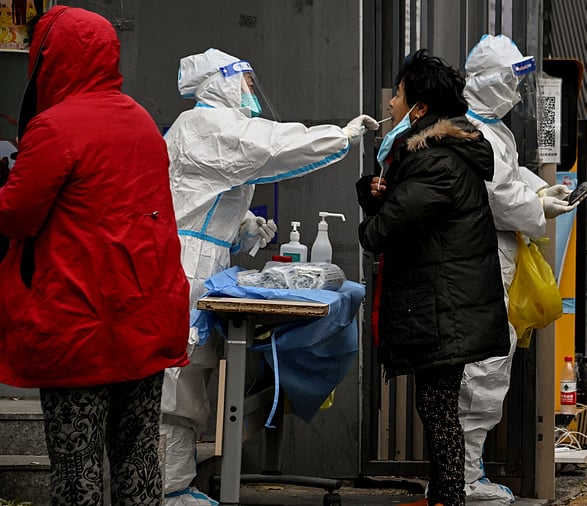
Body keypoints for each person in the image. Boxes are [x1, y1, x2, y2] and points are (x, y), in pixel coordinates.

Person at [162, 47, 378, 505]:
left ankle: (177, 484)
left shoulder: (212, 127)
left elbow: (201, 193)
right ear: (220, 81)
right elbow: (271, 145)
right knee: (178, 382)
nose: (250, 89)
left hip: (202, 261)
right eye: (243, 80)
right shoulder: (206, 125)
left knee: (192, 377)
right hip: (184, 264)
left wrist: (241, 226)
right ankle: (169, 489)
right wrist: (339, 136)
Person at [0, 6, 190, 504]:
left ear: (50, 58)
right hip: (144, 318)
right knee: (137, 453)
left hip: (78, 325)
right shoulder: (141, 121)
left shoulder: (54, 128)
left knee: (76, 464)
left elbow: (16, 216)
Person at [356, 49, 509, 506]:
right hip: (445, 302)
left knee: (439, 408)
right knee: (437, 405)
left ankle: (449, 498)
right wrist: (374, 195)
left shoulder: (434, 160)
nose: (391, 103)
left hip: (445, 306)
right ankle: (444, 495)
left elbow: (385, 230)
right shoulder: (441, 152)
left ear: (419, 108)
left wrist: (372, 215)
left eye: (399, 95)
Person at [459, 33, 573, 504]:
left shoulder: (492, 129)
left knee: (490, 369)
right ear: (486, 81)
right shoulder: (474, 132)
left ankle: (467, 473)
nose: (514, 93)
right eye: (508, 81)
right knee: (480, 372)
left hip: (496, 260)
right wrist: (538, 206)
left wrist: (539, 190)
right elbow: (500, 196)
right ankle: (463, 477)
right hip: (483, 261)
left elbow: (511, 175)